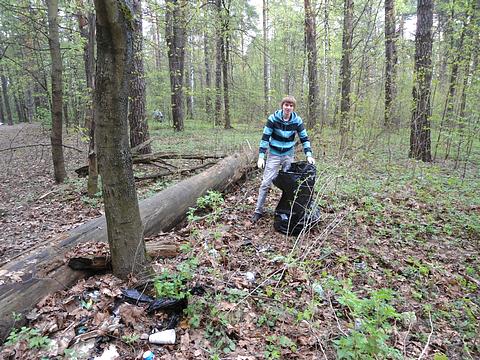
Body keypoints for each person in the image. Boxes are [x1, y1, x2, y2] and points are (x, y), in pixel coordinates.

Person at [251, 95, 315, 224]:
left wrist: (308, 154)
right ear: (282, 106)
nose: (288, 107)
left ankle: (286, 210)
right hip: (274, 154)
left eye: (291, 105)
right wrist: (261, 156)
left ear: (293, 108)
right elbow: (265, 137)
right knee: (265, 183)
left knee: (290, 184)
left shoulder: (297, 121)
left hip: (288, 155)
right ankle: (258, 211)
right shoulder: (273, 119)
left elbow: (304, 138)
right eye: (286, 105)